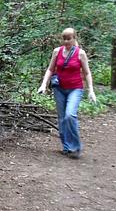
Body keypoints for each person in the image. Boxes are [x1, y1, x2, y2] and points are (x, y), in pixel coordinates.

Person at [38, 28, 96, 159]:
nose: (66, 41)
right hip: (59, 89)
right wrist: (43, 84)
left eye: (69, 38)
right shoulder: (57, 51)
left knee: (70, 115)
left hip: (75, 89)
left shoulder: (80, 53)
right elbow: (50, 69)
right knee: (62, 118)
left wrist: (91, 90)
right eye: (64, 38)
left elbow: (87, 73)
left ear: (74, 38)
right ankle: (66, 147)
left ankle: (75, 147)